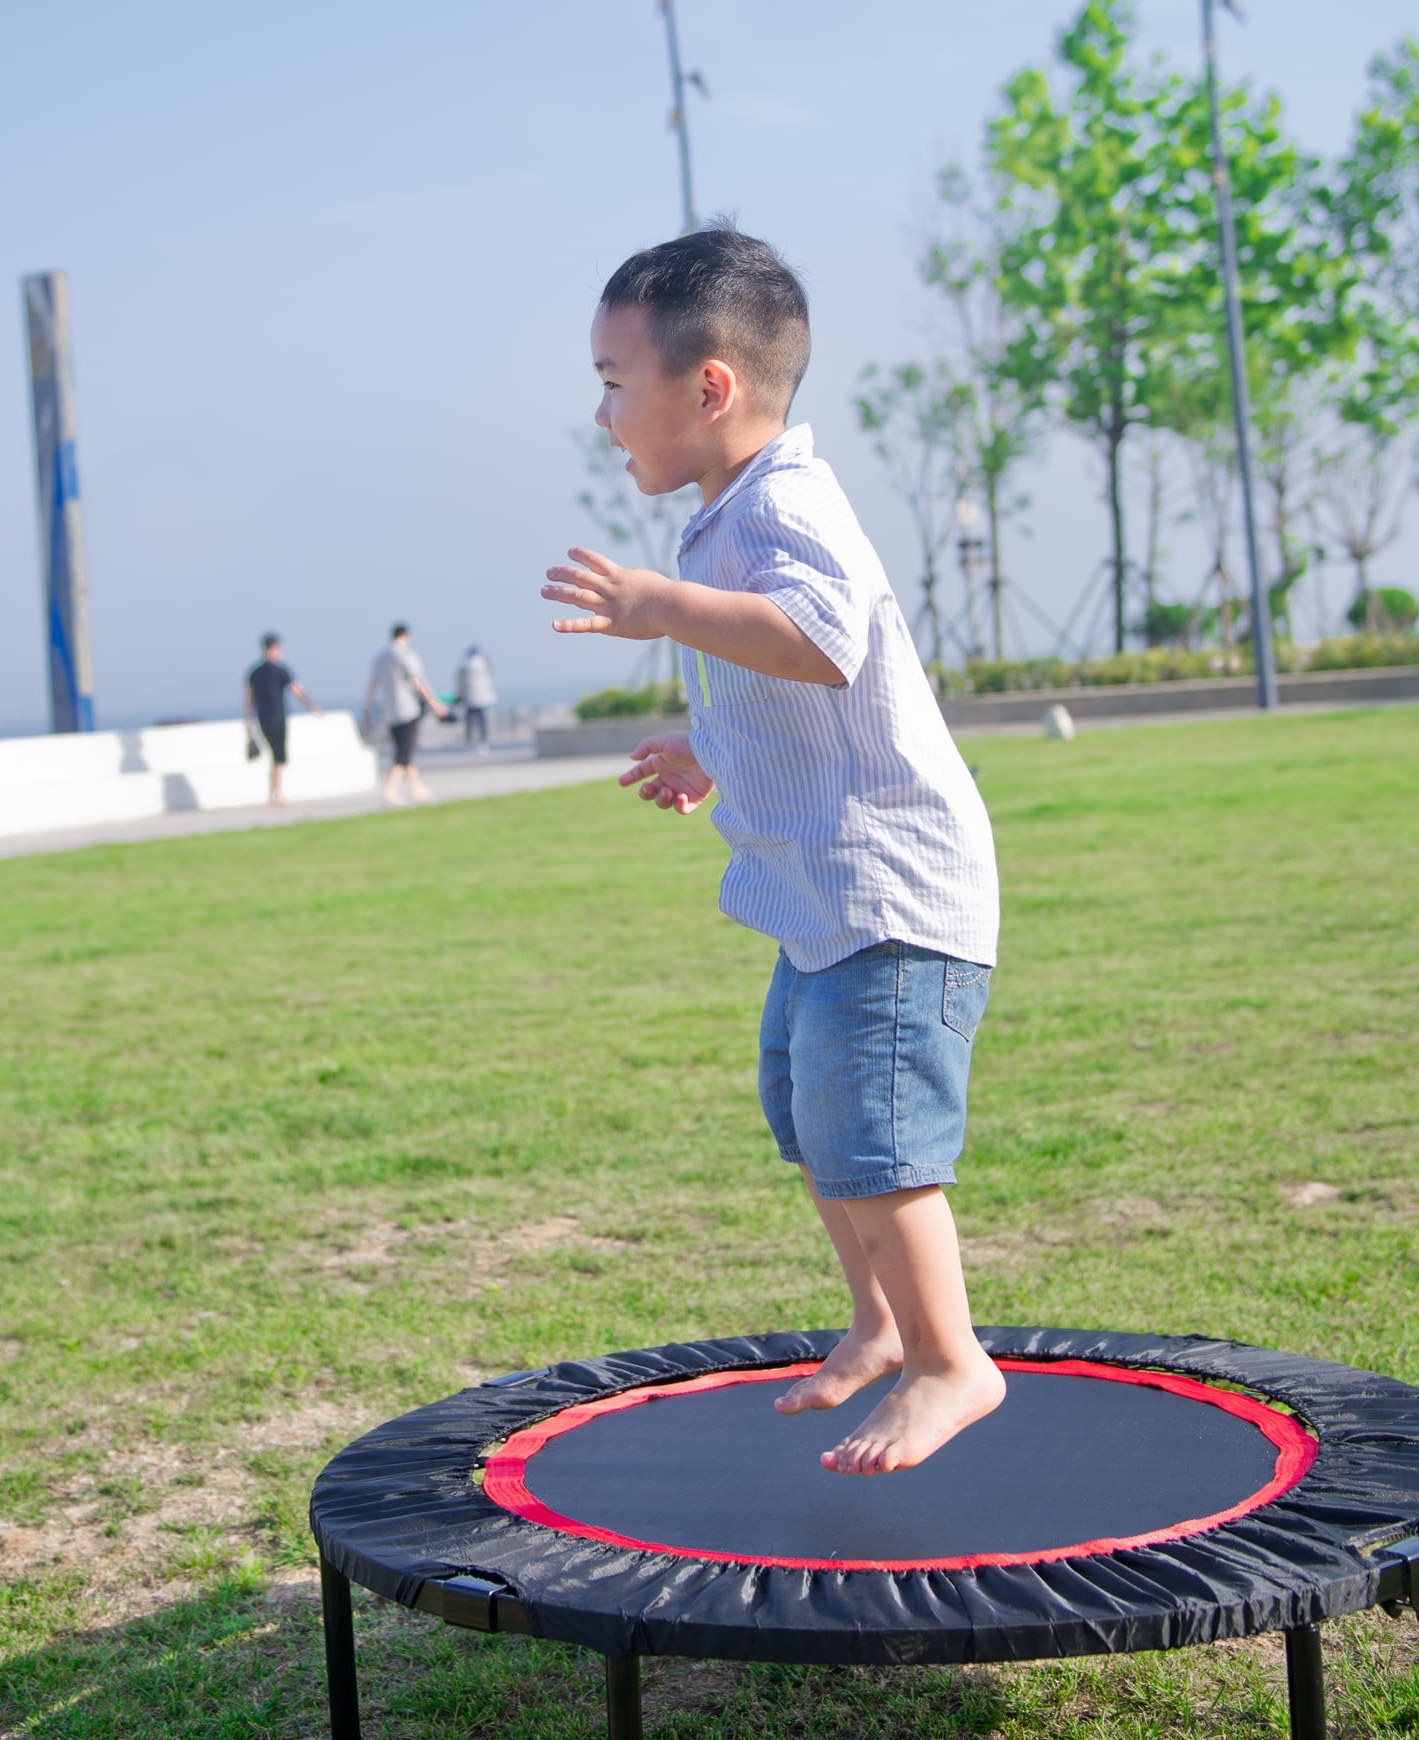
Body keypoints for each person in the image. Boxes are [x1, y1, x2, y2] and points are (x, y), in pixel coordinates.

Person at [541, 227, 1001, 1478]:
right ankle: (878, 1323)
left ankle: (951, 1358)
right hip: (821, 899)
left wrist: (653, 606)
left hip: (890, 896)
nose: (599, 413)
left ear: (708, 388)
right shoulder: (729, 509)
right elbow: (787, 695)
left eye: (611, 379)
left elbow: (818, 635)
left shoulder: (783, 501)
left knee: (871, 1134)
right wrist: (708, 749)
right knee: (803, 1112)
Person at [362, 622, 448, 805]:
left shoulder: (380, 657)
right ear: (406, 636)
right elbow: (418, 681)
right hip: (407, 710)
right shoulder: (406, 654)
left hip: (389, 711)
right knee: (404, 752)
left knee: (405, 750)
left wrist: (367, 709)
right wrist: (434, 704)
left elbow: (373, 684)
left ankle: (417, 788)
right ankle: (390, 789)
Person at [244, 633, 323, 806]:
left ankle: (273, 793)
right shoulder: (281, 670)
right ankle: (277, 794)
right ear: (275, 648)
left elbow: (249, 699)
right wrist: (312, 706)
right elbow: (297, 690)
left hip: (262, 719)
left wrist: (248, 720)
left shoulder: (254, 673)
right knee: (279, 756)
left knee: (275, 756)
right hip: (278, 718)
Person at [456, 643, 497, 750]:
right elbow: (490, 669)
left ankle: (469, 740)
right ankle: (483, 740)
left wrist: (459, 694)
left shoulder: (465, 665)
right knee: (482, 721)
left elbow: (459, 681)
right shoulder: (484, 663)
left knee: (470, 721)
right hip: (483, 696)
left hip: (469, 696)